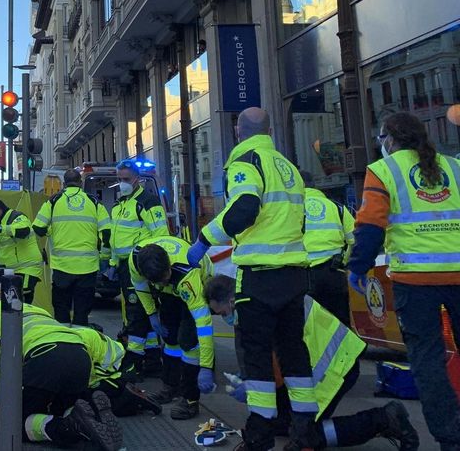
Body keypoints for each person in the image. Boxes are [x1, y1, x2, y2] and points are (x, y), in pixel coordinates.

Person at [187, 107, 317, 451]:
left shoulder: (246, 160)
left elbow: (244, 208)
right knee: (294, 354)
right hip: (293, 274)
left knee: (257, 357)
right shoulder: (287, 166)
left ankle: (259, 437)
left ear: (237, 128)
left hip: (259, 278)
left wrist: (204, 239)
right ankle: (305, 434)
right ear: (270, 130)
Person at [348, 111, 460, 451]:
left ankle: (451, 438)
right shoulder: (454, 167)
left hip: (415, 280)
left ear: (391, 140)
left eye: (382, 138)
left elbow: (370, 225)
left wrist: (357, 267)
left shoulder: (383, 171)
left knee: (427, 361)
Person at [205, 275, 419, 451]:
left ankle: (384, 418)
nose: (225, 318)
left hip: (333, 367)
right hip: (332, 360)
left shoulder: (257, 312)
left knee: (306, 437)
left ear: (232, 301)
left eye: (223, 313)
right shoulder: (264, 296)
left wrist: (251, 388)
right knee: (283, 422)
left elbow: (275, 373)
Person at [0, 301, 123, 450]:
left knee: (13, 424)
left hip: (45, 357)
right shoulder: (39, 310)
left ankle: (69, 427)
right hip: (80, 355)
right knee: (60, 408)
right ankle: (88, 418)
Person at [130, 237, 215, 420]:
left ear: (169, 265)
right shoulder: (135, 260)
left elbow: (204, 325)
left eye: (166, 277)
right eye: (159, 281)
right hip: (171, 292)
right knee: (170, 339)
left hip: (198, 281)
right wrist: (152, 314)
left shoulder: (186, 273)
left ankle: (190, 399)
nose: (164, 282)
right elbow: (140, 287)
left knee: (189, 341)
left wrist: (206, 366)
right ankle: (171, 386)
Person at [108, 159, 170, 372]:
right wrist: (113, 263)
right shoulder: (120, 204)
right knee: (140, 311)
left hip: (141, 266)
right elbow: (117, 239)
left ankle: (134, 361)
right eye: (119, 179)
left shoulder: (148, 202)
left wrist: (148, 261)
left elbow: (161, 235)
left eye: (125, 179)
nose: (122, 183)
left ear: (137, 179)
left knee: (136, 312)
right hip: (126, 266)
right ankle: (152, 359)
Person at [33, 169, 110, 325]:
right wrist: (105, 255)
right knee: (82, 311)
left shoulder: (53, 201)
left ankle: (65, 342)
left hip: (62, 268)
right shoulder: (94, 202)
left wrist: (51, 232)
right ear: (80, 183)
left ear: (64, 183)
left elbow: (38, 228)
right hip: (87, 267)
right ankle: (81, 340)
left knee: (61, 310)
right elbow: (107, 231)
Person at [299, 171, 355, 326]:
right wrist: (343, 260)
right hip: (334, 273)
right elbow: (355, 241)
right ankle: (346, 350)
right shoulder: (337, 208)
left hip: (303, 276)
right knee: (340, 324)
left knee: (311, 327)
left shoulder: (291, 210)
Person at [0, 198, 43, 304]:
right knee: (13, 304)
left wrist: (0, 229)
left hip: (27, 269)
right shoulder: (2, 224)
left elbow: (24, 230)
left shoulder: (16, 217)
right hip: (14, 272)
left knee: (21, 303)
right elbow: (5, 250)